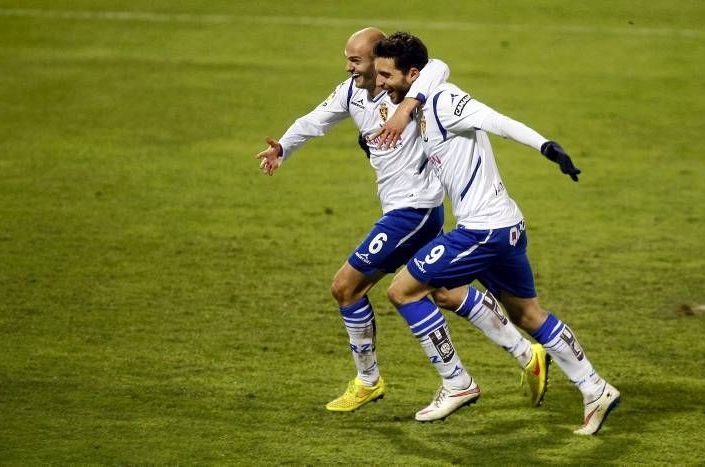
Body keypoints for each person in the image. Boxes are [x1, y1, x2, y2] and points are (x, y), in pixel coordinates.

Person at [256, 27, 550, 417]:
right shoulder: (352, 93)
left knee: (347, 288)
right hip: (401, 210)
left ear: (382, 61)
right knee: (445, 291)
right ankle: (525, 352)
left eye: (356, 60)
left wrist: (407, 106)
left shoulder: (413, 88)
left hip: (415, 210)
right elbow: (314, 120)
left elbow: (438, 66)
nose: (348, 67)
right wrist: (284, 148)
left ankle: (398, 380)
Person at [372, 31, 620, 435]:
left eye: (386, 75)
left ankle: (457, 383)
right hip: (503, 226)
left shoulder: (445, 101)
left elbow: (497, 121)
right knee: (525, 313)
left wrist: (547, 147)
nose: (380, 83)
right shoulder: (416, 106)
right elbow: (434, 74)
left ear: (411, 74)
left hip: (482, 231)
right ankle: (595, 388)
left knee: (403, 290)